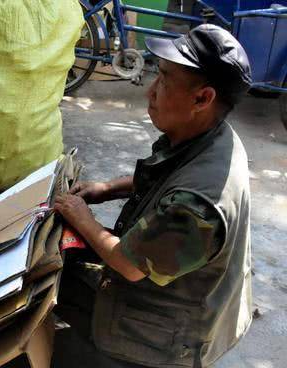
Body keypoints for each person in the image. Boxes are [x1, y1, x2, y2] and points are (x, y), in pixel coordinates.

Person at [54, 24, 253, 367]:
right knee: (60, 267)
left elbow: (128, 265)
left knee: (43, 342)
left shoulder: (197, 207)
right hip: (179, 288)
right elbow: (166, 173)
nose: (150, 92)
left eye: (163, 80)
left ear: (202, 99)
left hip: (170, 336)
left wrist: (83, 219)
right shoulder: (211, 135)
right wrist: (107, 189)